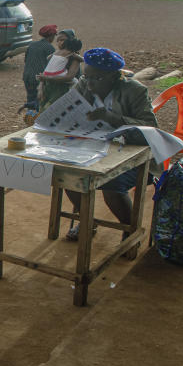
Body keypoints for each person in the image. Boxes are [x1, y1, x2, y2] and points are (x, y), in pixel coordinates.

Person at [65, 48, 159, 240]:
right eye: (86, 77)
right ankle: (87, 221)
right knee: (68, 176)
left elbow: (150, 128)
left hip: (134, 153)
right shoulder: (84, 85)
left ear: (113, 77)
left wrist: (111, 117)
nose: (89, 84)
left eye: (96, 79)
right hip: (95, 147)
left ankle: (129, 229)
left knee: (111, 184)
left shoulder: (135, 90)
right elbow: (68, 109)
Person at [38, 36, 82, 109]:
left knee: (45, 109)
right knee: (76, 82)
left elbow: (48, 60)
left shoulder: (55, 53)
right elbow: (69, 77)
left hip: (49, 81)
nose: (60, 42)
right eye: (59, 40)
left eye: (62, 40)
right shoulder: (72, 55)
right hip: (55, 83)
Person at [22, 24, 57, 111]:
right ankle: (37, 121)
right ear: (51, 36)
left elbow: (26, 60)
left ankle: (30, 118)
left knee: (30, 98)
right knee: (39, 101)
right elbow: (52, 66)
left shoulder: (32, 45)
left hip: (27, 76)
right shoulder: (50, 48)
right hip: (39, 78)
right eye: (54, 36)